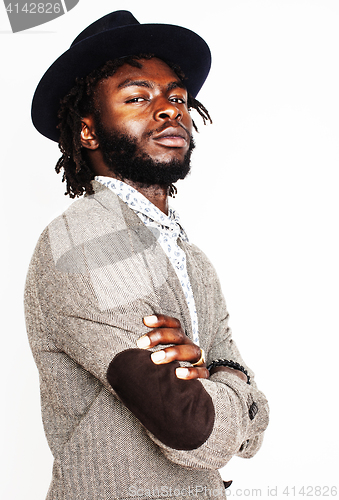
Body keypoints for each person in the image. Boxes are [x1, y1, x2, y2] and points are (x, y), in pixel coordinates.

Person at [25, 10, 269, 500]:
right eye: (138, 97)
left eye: (176, 97)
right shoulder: (81, 241)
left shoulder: (193, 259)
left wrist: (222, 380)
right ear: (88, 132)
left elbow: (253, 435)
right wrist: (233, 386)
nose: (169, 110)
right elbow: (192, 428)